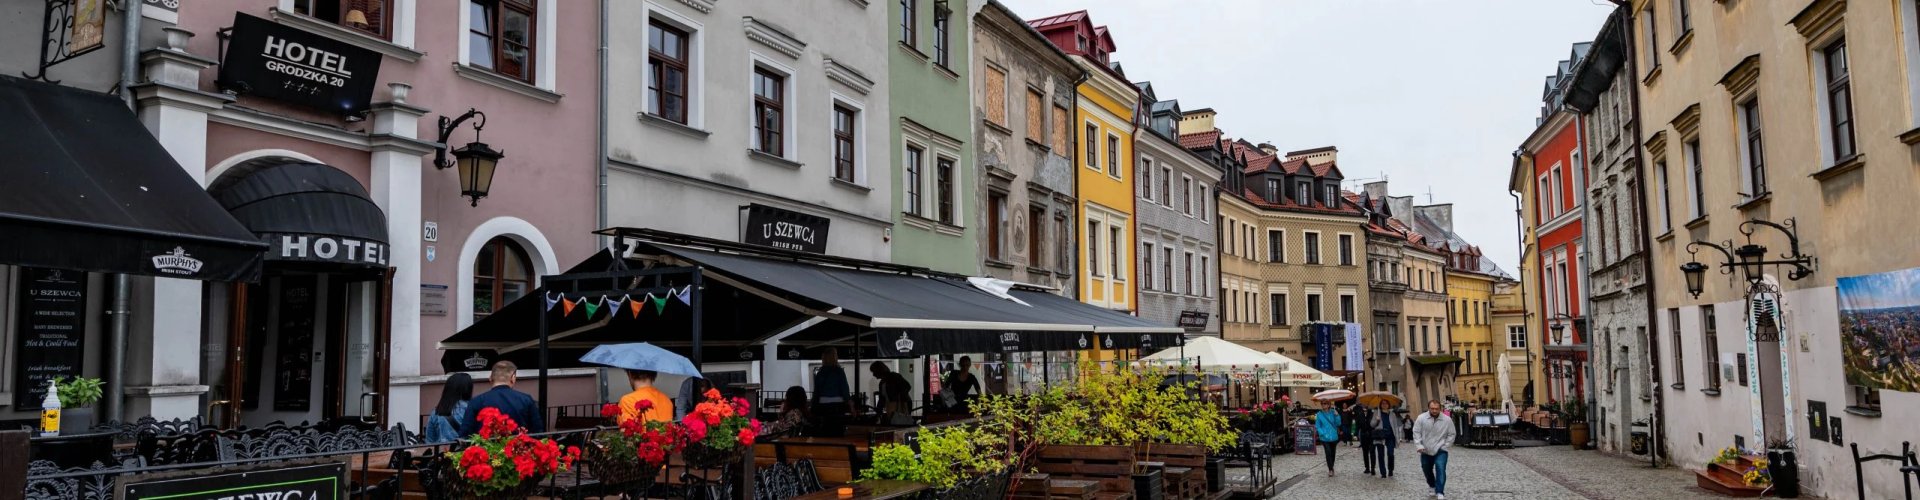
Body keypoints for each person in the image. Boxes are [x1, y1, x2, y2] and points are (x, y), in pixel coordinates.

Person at [461, 361, 545, 436]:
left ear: (490, 378)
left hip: (487, 450)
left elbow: (465, 433)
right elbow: (538, 432)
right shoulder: (526, 399)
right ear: (513, 378)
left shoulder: (476, 401)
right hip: (518, 450)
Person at [1413, 399, 1457, 499]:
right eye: (1432, 408)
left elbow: (1452, 434)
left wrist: (1446, 445)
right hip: (1425, 449)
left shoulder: (1447, 420)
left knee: (1440, 468)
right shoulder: (1421, 418)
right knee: (1426, 469)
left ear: (1440, 409)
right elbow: (1416, 432)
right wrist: (1419, 445)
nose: (1434, 411)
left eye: (1436, 409)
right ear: (1429, 408)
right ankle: (1432, 485)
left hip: (1441, 449)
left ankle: (1440, 491)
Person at [811, 349, 852, 436]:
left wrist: (813, 406)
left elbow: (816, 392)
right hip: (837, 405)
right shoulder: (839, 371)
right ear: (834, 357)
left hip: (822, 405)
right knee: (837, 430)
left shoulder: (820, 372)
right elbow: (844, 389)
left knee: (826, 429)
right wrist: (851, 405)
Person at [426, 373, 474, 443]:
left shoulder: (436, 412)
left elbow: (429, 440)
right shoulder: (471, 408)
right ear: (468, 389)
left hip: (442, 452)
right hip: (465, 452)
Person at [1370, 402, 1400, 477]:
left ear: (1389, 405)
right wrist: (1377, 420)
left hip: (1390, 436)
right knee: (1381, 455)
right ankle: (1383, 472)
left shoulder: (1392, 414)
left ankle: (1390, 469)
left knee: (1390, 454)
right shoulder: (1377, 413)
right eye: (1383, 403)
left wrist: (1398, 437)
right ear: (1380, 405)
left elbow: (1395, 426)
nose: (1384, 405)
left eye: (1386, 403)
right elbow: (1372, 424)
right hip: (1380, 436)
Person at [1314, 402, 1342, 477]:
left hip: (1333, 437)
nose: (1323, 405)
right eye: (1322, 404)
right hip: (1324, 438)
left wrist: (1337, 416)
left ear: (1328, 405)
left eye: (1325, 403)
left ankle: (1331, 467)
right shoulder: (1319, 414)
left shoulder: (1333, 412)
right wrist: (1322, 433)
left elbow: (1338, 423)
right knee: (1328, 453)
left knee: (1333, 453)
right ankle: (1330, 469)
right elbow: (1317, 426)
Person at [1357, 406, 1377, 475]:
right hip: (1363, 435)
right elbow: (1358, 424)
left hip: (1371, 435)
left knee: (1372, 451)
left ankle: (1373, 468)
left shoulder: (1372, 414)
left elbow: (1374, 425)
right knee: (1365, 452)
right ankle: (1367, 467)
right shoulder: (1360, 413)